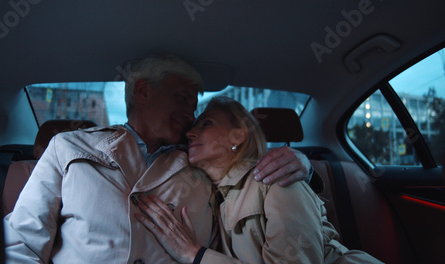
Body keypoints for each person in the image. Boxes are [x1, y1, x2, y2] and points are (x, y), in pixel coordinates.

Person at [3, 55, 313, 263]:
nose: (190, 117)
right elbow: (22, 243)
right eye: (182, 100)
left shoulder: (203, 168)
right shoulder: (67, 147)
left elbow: (247, 178)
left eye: (197, 111)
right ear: (142, 91)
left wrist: (304, 166)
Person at [135, 96, 383, 263]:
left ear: (237, 136)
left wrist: (194, 254)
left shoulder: (276, 178)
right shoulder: (212, 195)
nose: (190, 133)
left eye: (206, 124)